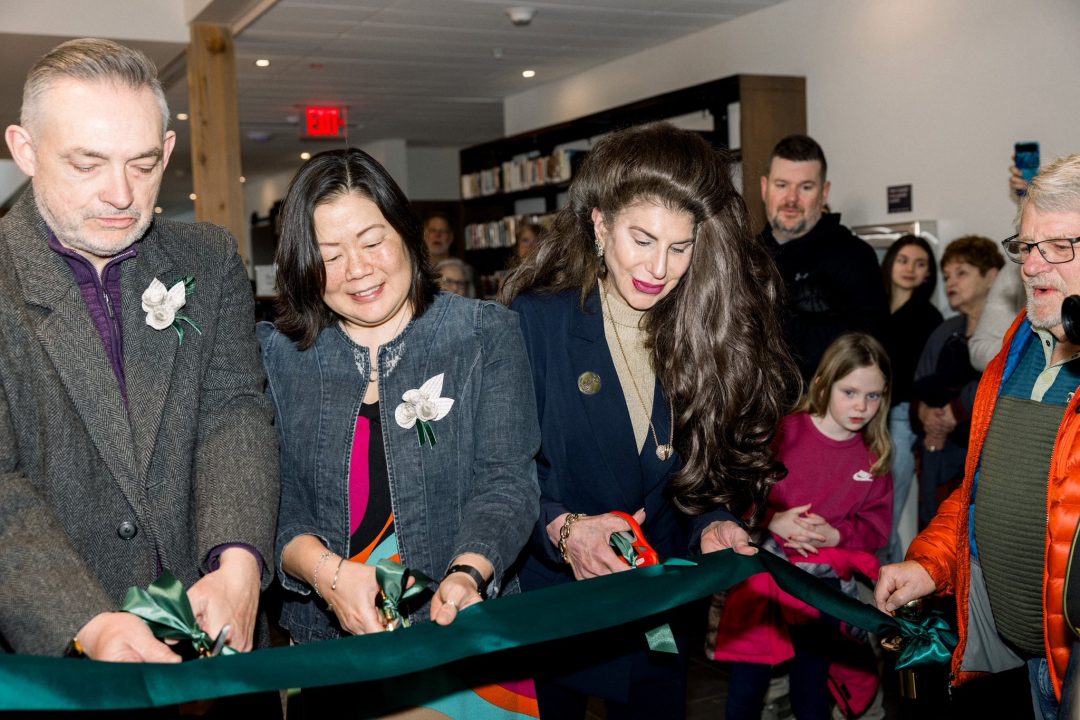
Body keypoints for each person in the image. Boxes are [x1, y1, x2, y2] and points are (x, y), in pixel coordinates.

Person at [500, 122, 795, 720]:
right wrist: (564, 529)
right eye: (642, 239)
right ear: (600, 223)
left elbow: (701, 469)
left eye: (680, 248)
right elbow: (500, 469)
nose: (658, 268)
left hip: (656, 606)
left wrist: (713, 522)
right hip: (553, 601)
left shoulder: (708, 330)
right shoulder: (537, 322)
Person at [0, 37, 277, 662]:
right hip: (57, 650)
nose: (122, 195)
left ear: (168, 151)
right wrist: (84, 622)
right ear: (25, 150)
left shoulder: (207, 257)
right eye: (87, 164)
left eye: (143, 163)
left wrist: (238, 562)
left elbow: (234, 412)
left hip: (216, 633)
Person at [260, 147, 541, 717]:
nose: (357, 269)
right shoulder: (279, 356)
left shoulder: (483, 335)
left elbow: (507, 482)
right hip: (332, 643)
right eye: (329, 255)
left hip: (464, 628)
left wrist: (469, 572)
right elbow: (270, 497)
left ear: (407, 234)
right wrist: (327, 576)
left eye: (372, 241)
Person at [875, 154, 1080, 720]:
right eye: (1027, 246)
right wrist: (930, 565)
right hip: (1027, 666)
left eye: (1058, 246)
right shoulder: (1018, 344)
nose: (1032, 266)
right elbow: (980, 490)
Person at [717, 332, 893, 720]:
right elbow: (738, 496)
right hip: (765, 576)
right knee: (747, 687)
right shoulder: (784, 432)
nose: (861, 406)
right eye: (849, 392)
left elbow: (877, 529)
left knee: (811, 687)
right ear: (823, 384)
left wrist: (838, 535)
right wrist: (773, 518)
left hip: (821, 586)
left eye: (873, 396)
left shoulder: (875, 455)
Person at [759, 134, 889, 381]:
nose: (791, 199)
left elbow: (868, 347)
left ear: (824, 192)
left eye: (805, 187)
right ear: (764, 188)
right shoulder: (744, 258)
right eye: (782, 185)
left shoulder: (854, 257)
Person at [911, 236, 1002, 526]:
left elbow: (1002, 387)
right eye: (947, 275)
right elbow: (919, 385)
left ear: (992, 276)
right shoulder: (945, 330)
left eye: (961, 273)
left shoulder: (1011, 329)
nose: (951, 282)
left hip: (987, 462)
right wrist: (925, 414)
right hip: (938, 459)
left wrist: (956, 411)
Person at [880, 236, 943, 562]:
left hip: (902, 416)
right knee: (864, 502)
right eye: (903, 260)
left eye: (920, 264)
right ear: (890, 262)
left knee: (888, 506)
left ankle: (884, 575)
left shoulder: (929, 317)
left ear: (928, 274)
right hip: (865, 413)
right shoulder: (871, 306)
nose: (910, 269)